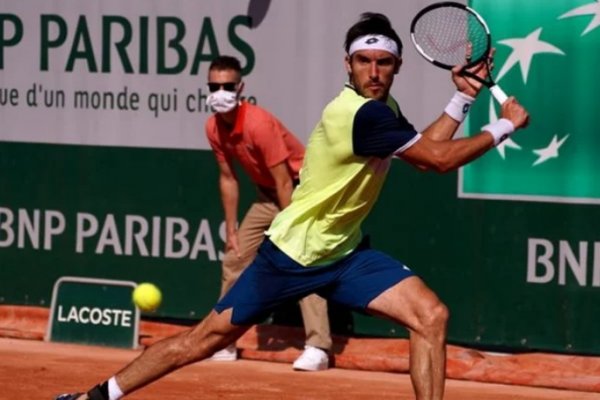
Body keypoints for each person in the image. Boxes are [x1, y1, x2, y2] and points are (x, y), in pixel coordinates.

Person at [55, 12, 528, 400]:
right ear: (348, 64)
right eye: (364, 61)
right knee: (203, 341)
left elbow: (423, 150)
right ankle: (96, 397)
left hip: (343, 256)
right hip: (291, 256)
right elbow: (436, 161)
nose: (374, 71)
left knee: (431, 316)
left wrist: (463, 95)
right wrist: (502, 128)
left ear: (397, 65)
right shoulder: (359, 114)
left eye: (384, 62)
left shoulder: (381, 110)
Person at [203, 55, 332, 370]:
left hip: (298, 192)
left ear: (241, 87)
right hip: (265, 197)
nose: (220, 92)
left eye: (227, 86)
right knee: (234, 258)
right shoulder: (213, 127)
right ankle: (224, 340)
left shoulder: (258, 123)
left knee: (302, 259)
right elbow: (228, 178)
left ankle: (319, 347)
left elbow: (284, 179)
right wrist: (231, 228)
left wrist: (292, 229)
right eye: (214, 86)